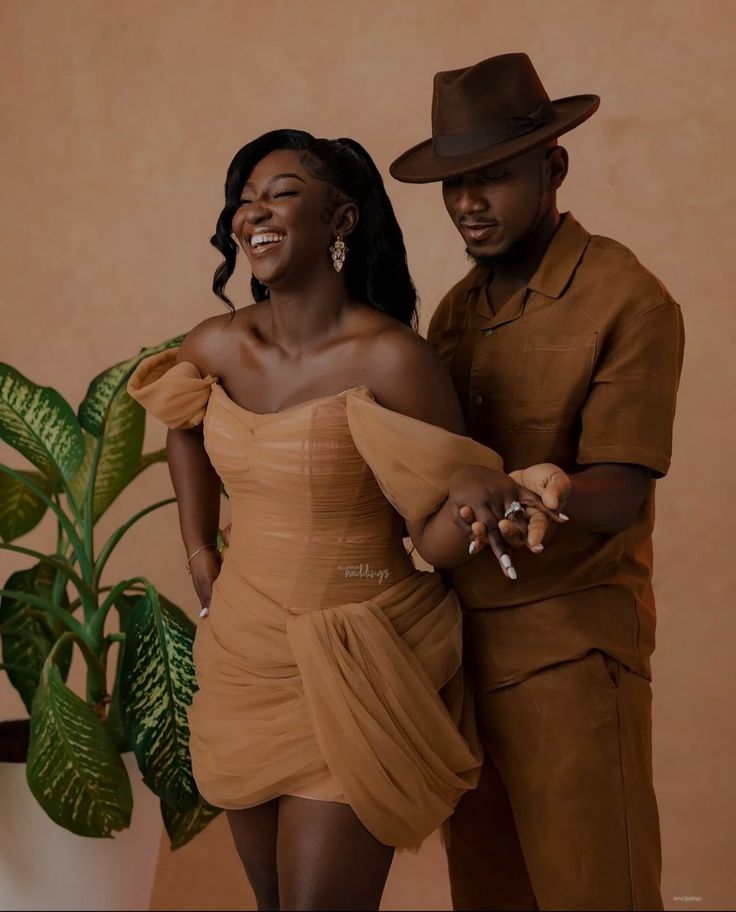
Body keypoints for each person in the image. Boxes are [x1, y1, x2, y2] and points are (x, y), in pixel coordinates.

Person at [126, 129, 566, 912]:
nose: (254, 212)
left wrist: (470, 490)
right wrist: (200, 555)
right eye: (245, 197)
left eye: (282, 192)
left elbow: (432, 537)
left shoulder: (392, 359)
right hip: (241, 665)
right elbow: (182, 424)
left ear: (340, 221)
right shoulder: (216, 344)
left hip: (356, 664)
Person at [389, 52, 686, 911]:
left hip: (571, 652)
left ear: (553, 166)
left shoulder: (629, 300)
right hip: (461, 657)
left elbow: (621, 492)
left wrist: (551, 488)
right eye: (454, 184)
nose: (469, 203)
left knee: (599, 894)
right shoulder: (455, 311)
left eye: (493, 177)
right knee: (487, 895)